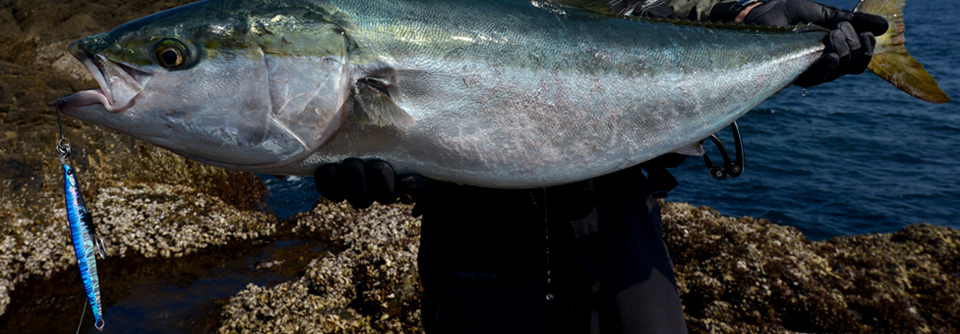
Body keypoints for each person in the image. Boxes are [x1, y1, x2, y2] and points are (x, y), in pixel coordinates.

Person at [315, 1, 888, 333]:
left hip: (619, 233)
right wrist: (371, 157)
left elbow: (663, 11)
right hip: (477, 247)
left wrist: (759, 17)